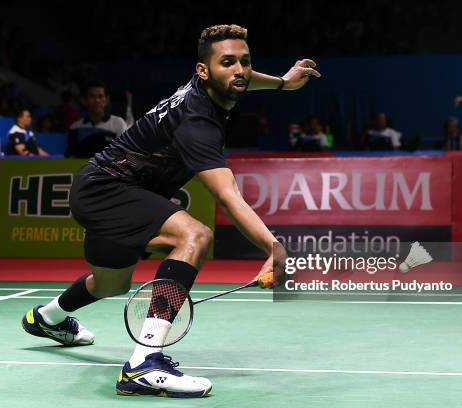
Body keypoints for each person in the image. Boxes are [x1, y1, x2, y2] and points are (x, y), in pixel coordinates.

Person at [21, 24, 318, 398]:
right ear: (203, 71)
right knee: (195, 235)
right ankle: (144, 362)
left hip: (106, 189)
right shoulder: (198, 122)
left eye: (245, 62)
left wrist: (282, 83)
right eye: (228, 63)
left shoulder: (211, 84)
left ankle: (46, 318)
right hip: (108, 188)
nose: (239, 71)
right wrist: (274, 249)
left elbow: (241, 79)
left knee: (112, 283)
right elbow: (229, 197)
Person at [65, 80, 131, 158]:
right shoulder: (75, 127)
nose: (97, 100)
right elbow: (70, 156)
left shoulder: (118, 123)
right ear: (84, 101)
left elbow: (124, 153)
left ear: (106, 100)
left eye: (100, 96)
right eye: (92, 97)